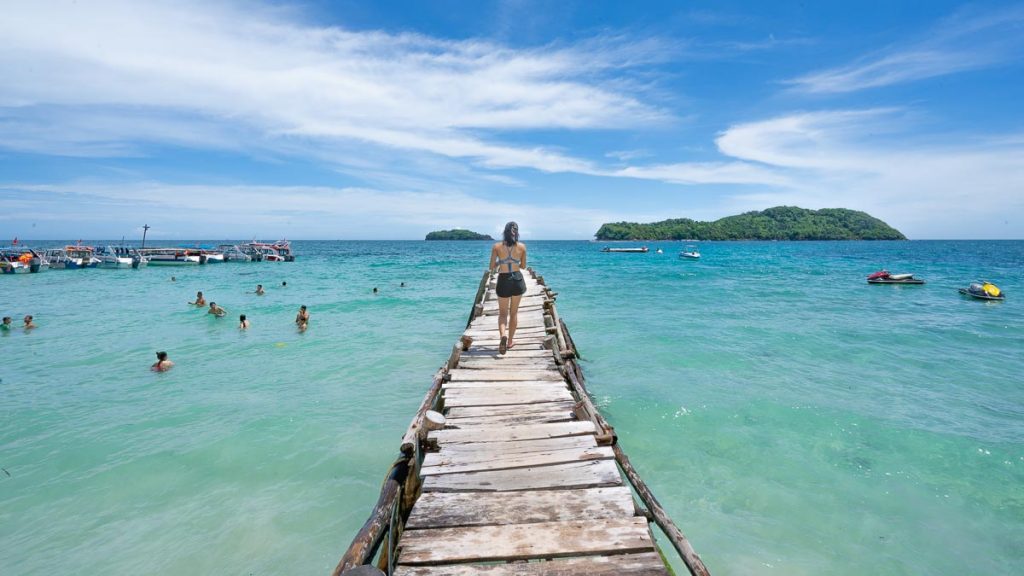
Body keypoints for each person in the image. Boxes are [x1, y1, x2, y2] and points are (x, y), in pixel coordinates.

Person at [489, 221, 527, 354]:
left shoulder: (496, 246)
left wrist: (501, 261)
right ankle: (510, 341)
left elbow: (491, 266)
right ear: (516, 232)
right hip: (517, 279)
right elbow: (523, 266)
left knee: (503, 313)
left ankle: (502, 336)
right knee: (514, 312)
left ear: (504, 232)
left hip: (504, 280)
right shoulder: (522, 247)